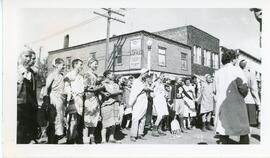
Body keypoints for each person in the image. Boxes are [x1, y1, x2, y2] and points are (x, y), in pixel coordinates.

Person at [214, 49, 249, 144]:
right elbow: (244, 89)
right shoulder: (237, 70)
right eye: (236, 58)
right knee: (243, 131)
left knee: (223, 131)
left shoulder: (217, 73)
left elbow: (215, 90)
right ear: (232, 59)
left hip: (222, 106)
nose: (237, 61)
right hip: (236, 105)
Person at [17, 50, 39, 144]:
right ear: (20, 57)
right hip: (19, 105)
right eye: (26, 56)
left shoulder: (32, 73)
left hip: (30, 106)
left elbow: (34, 91)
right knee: (19, 129)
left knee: (27, 129)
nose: (29, 59)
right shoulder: (15, 71)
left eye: (30, 57)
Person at [43, 58, 66, 144]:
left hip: (60, 100)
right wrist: (46, 101)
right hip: (53, 99)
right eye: (62, 65)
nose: (64, 66)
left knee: (59, 119)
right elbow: (46, 88)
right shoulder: (52, 75)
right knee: (54, 120)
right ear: (56, 65)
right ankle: (51, 141)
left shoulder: (62, 76)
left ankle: (55, 140)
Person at [64, 58, 85, 144]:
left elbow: (82, 88)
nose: (81, 66)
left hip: (80, 100)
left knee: (78, 122)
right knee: (73, 121)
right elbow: (66, 87)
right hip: (73, 100)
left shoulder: (80, 76)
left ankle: (76, 139)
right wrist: (71, 95)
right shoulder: (69, 75)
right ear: (75, 65)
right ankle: (70, 140)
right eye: (80, 64)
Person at [83, 57, 103, 144]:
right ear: (90, 64)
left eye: (97, 64)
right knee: (87, 119)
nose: (96, 65)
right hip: (89, 98)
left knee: (94, 119)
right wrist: (96, 89)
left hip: (95, 98)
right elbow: (85, 87)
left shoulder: (95, 75)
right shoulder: (87, 74)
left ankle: (92, 138)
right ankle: (86, 140)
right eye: (95, 63)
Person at [100, 70, 123, 143]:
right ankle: (103, 140)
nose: (113, 75)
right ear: (107, 75)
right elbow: (111, 92)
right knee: (105, 123)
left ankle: (111, 138)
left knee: (114, 122)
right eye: (111, 74)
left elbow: (117, 93)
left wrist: (118, 92)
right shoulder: (103, 83)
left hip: (115, 103)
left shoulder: (115, 84)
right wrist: (119, 91)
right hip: (106, 104)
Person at [129, 68, 150, 142]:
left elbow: (146, 88)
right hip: (138, 100)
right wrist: (145, 89)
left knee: (143, 117)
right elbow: (135, 92)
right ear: (142, 73)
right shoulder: (136, 81)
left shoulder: (144, 82)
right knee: (136, 117)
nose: (146, 75)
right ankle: (133, 135)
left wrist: (146, 89)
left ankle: (140, 133)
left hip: (144, 100)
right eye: (146, 74)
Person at [239, 59, 261, 127]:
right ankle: (246, 137)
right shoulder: (250, 74)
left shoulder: (238, 74)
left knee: (241, 122)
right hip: (249, 100)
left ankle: (242, 137)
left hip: (239, 100)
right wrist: (258, 103)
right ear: (247, 66)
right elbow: (253, 89)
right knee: (249, 123)